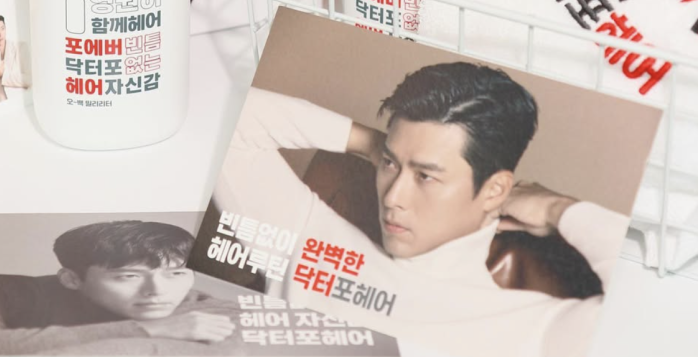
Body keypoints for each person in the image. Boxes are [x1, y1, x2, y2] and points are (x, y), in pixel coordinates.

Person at [208, 62, 630, 357]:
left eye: (426, 176)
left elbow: (657, 313)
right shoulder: (311, 242)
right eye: (390, 165)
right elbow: (218, 110)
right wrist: (371, 145)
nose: (393, 196)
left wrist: (561, 209)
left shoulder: (532, 330)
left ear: (494, 190)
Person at [0, 220, 236, 355]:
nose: (157, 290)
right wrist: (145, 329)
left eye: (176, 274)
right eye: (129, 276)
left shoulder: (214, 311)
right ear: (71, 279)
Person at [0, 15, 28, 106]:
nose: (0, 34)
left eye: (3, 28)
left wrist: (4, 74)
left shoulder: (20, 48)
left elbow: (30, 79)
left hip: (20, 104)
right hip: (0, 109)